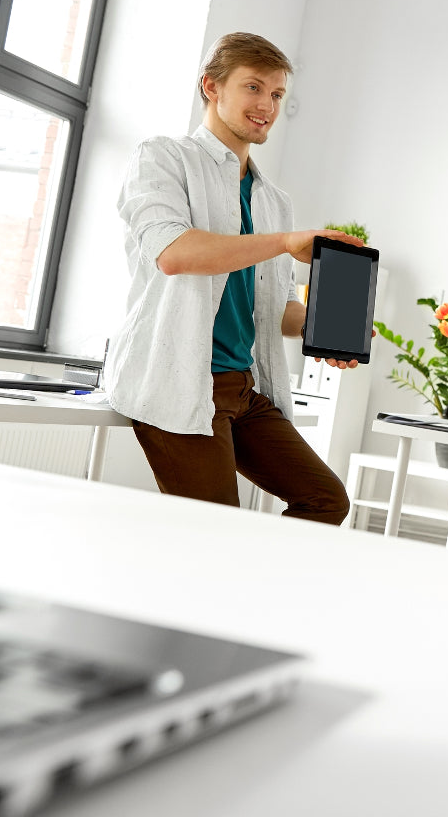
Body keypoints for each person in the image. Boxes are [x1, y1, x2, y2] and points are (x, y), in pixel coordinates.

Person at [105, 32, 360, 523]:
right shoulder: (162, 158)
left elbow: (276, 308)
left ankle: (253, 594)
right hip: (177, 378)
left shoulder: (272, 200)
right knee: (215, 533)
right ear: (211, 87)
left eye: (278, 94)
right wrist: (285, 243)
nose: (267, 104)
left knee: (326, 500)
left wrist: (325, 329)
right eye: (254, 87)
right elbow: (175, 254)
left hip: (241, 386)